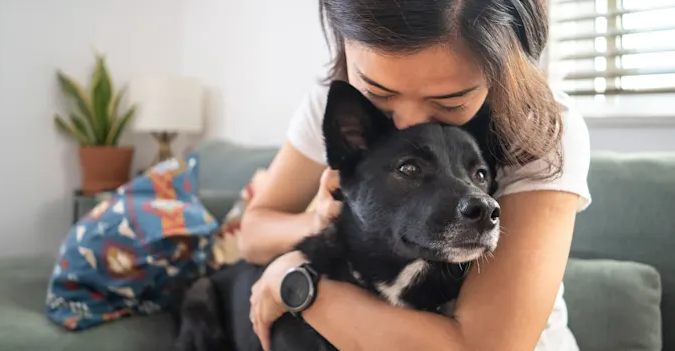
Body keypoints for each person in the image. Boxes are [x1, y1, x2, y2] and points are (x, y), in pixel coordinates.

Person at [240, 1, 591, 350]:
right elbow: (253, 231)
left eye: (449, 103)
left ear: (501, 66)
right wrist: (322, 223)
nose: (408, 124)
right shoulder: (343, 95)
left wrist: (298, 284)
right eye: (380, 94)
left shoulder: (542, 128)